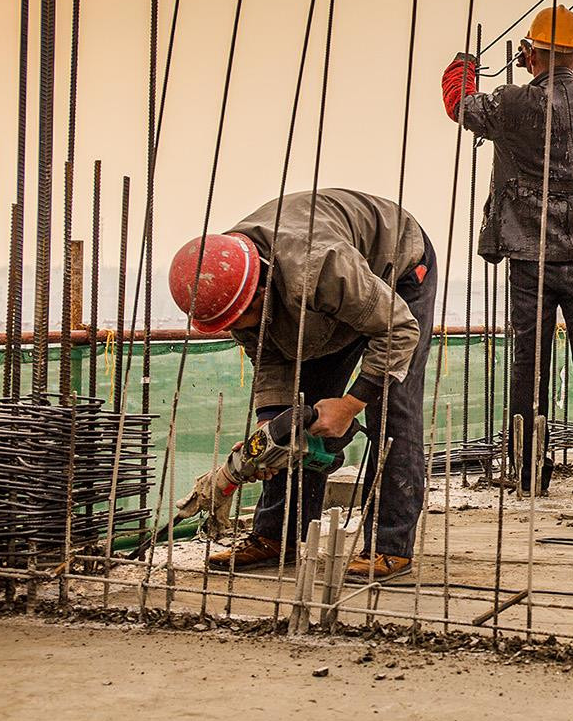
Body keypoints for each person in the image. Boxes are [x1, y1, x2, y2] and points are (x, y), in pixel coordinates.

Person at [168, 189, 436, 580]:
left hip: (396, 272)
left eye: (247, 317)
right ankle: (278, 536)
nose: (240, 329)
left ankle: (389, 545)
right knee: (295, 420)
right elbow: (271, 359)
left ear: (262, 287)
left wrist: (351, 403)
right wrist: (271, 426)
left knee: (391, 408)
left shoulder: (320, 267)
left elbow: (396, 329)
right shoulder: (225, 286)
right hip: (325, 301)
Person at [442, 4, 573, 498]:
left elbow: (461, 106)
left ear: (530, 53)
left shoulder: (514, 105)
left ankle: (527, 473)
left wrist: (462, 69)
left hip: (530, 253)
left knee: (529, 363)